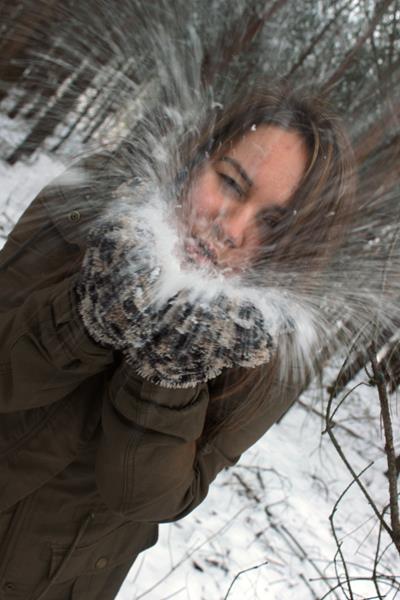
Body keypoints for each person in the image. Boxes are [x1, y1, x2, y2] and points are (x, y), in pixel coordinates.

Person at [0, 81, 354, 599]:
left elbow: (146, 498)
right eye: (231, 184)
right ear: (198, 158)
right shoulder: (90, 199)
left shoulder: (276, 347)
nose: (230, 229)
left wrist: (170, 374)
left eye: (272, 224)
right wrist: (91, 313)